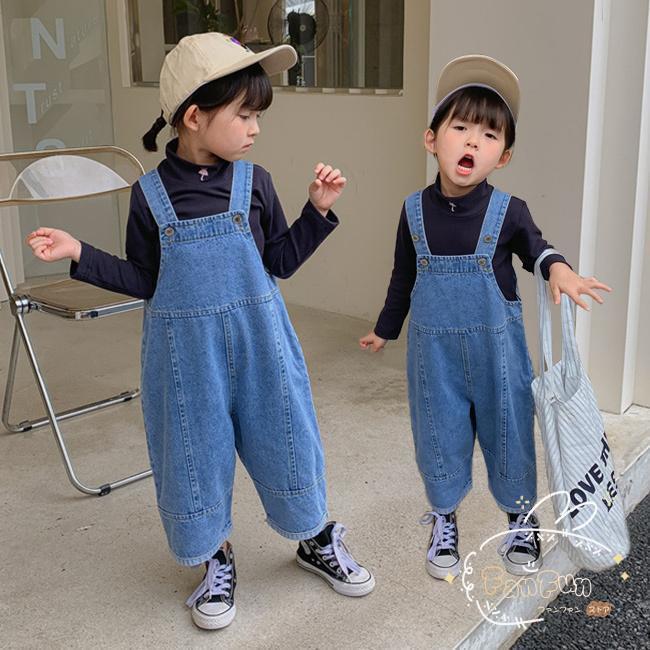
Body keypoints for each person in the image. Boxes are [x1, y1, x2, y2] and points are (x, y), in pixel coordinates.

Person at [26, 32, 374, 630]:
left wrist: (317, 210)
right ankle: (215, 555)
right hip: (185, 359)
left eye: (258, 116)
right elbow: (145, 279)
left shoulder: (256, 182)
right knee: (193, 453)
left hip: (262, 345)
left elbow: (280, 261)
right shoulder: (149, 196)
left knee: (287, 436)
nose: (256, 128)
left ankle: (315, 536)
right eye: (245, 114)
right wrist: (80, 252)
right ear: (194, 116)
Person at [359, 55, 611, 581]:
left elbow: (538, 250)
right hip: (434, 361)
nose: (473, 141)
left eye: (489, 135)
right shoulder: (412, 211)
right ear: (432, 140)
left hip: (499, 358)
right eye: (460, 128)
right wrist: (385, 329)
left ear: (504, 155)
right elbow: (403, 275)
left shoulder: (509, 211)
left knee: (510, 435)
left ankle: (521, 519)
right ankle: (444, 517)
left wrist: (560, 270)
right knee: (438, 436)